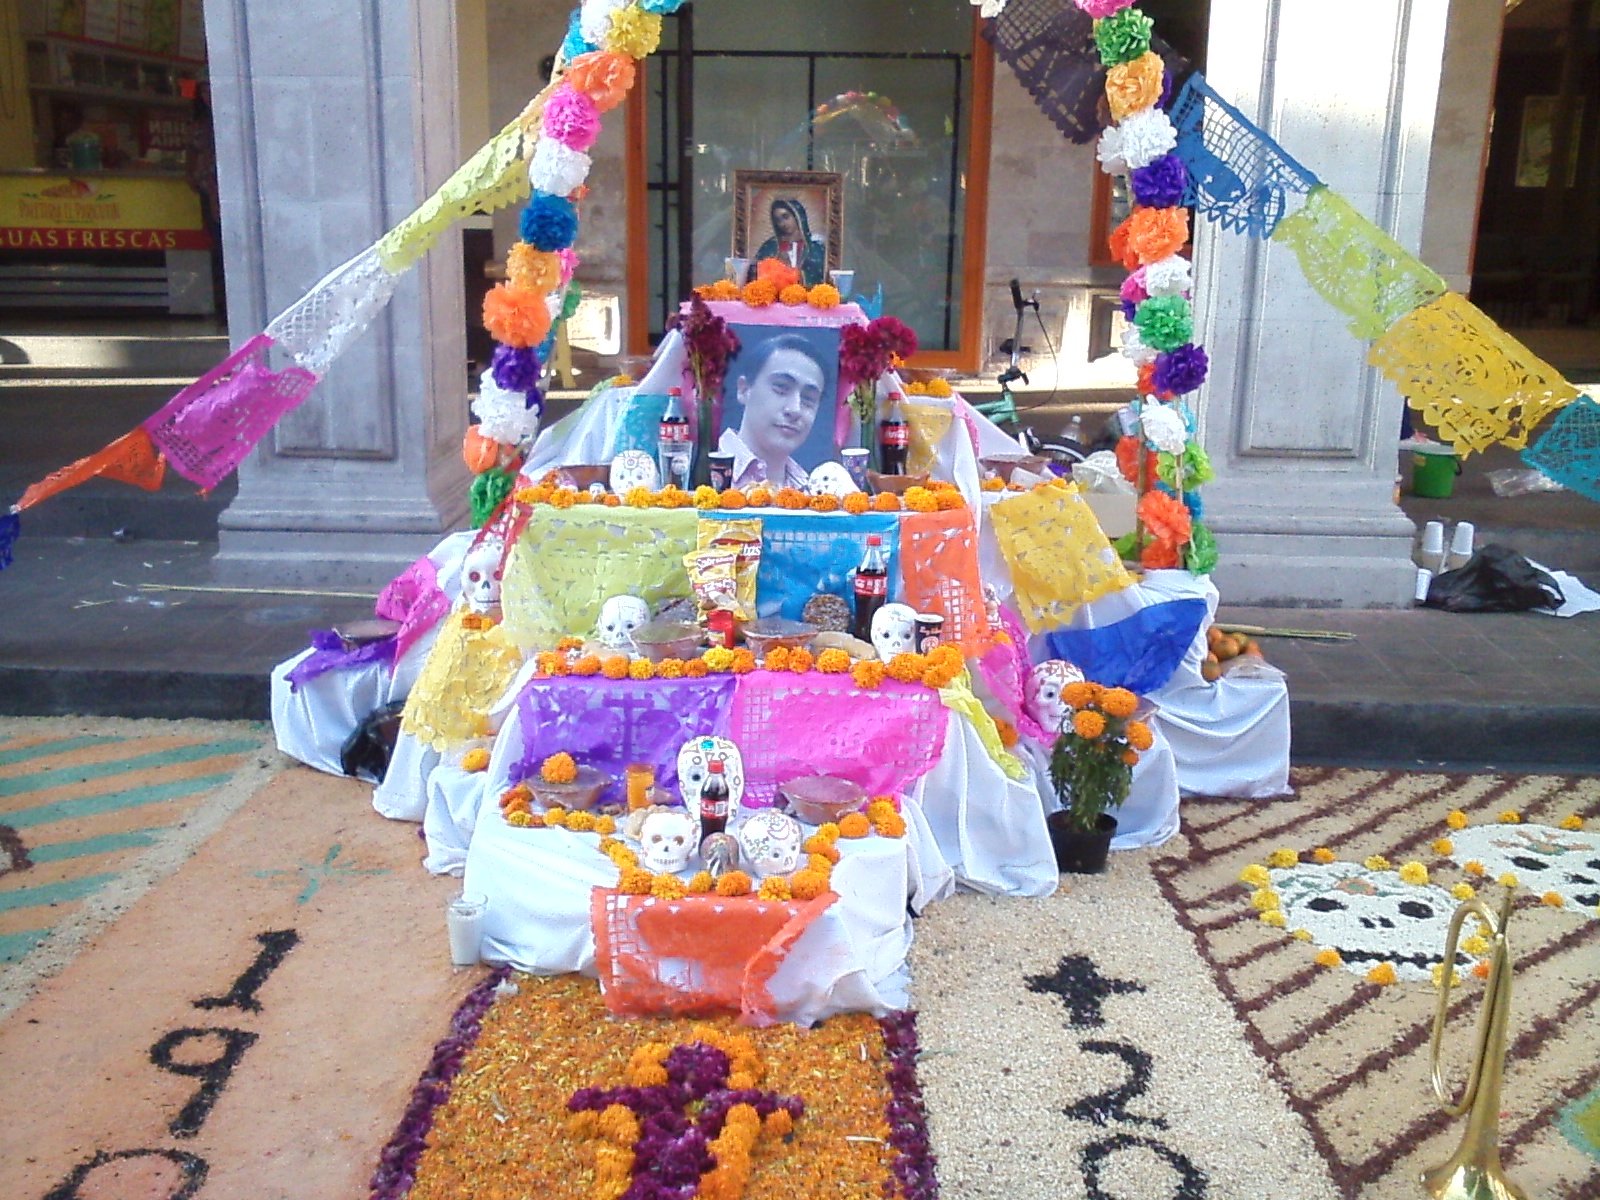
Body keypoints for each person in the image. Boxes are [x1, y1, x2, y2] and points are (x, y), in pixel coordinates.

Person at [718, 333, 832, 489]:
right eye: (781, 388)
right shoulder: (696, 471)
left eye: (808, 398)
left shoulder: (813, 491)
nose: (795, 409)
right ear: (744, 390)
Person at [753, 198, 828, 287]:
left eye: (786, 217)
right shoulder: (771, 245)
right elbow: (756, 271)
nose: (782, 224)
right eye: (778, 220)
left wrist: (798, 274)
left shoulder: (815, 246)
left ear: (797, 216)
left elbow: (820, 274)